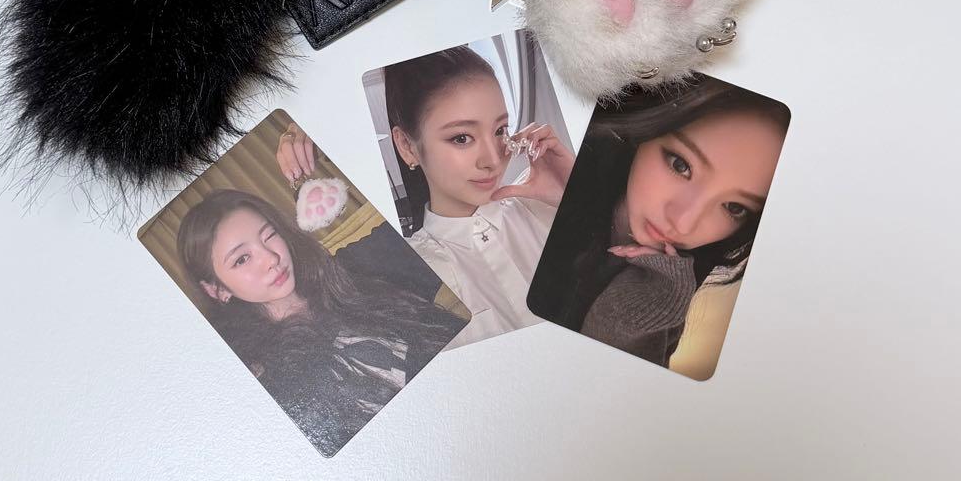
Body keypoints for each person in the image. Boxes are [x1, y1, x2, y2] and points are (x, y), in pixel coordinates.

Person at [178, 188, 466, 456]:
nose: (271, 258)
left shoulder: (350, 270)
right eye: (242, 259)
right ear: (217, 289)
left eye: (269, 235)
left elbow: (432, 225)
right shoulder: (264, 379)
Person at [526, 75, 789, 369]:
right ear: (645, 128)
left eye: (733, 208)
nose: (684, 223)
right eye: (681, 165)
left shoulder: (672, 286)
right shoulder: (551, 199)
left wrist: (642, 308)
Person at [381, 45, 575, 348]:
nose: (493, 160)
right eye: (462, 138)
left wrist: (576, 198)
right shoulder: (409, 275)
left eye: (500, 130)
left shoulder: (548, 206)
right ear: (407, 145)